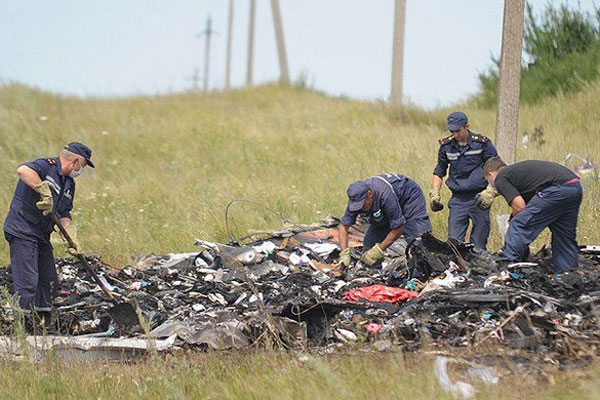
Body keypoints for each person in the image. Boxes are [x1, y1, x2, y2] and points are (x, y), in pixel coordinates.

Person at [3, 142, 94, 311]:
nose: (81, 170)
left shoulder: (69, 184)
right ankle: (23, 325)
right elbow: (23, 170)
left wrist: (71, 236)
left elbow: (64, 213)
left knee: (49, 282)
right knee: (28, 282)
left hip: (41, 234)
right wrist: (42, 188)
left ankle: (43, 320)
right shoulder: (45, 166)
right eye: (83, 165)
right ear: (75, 161)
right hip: (22, 229)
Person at [483, 157, 583, 279]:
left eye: (487, 180)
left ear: (490, 174)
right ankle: (567, 275)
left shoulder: (501, 178)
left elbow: (519, 207)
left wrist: (513, 221)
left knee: (518, 225)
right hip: (574, 187)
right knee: (563, 235)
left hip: (555, 189)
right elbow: (528, 206)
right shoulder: (519, 176)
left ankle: (507, 269)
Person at [430, 111, 498, 249]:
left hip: (479, 198)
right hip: (458, 200)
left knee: (478, 244)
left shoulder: (482, 143)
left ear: (467, 126)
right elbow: (439, 171)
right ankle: (457, 269)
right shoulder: (446, 146)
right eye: (451, 131)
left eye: (458, 130)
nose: (455, 134)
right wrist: (435, 192)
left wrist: (490, 191)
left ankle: (477, 268)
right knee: (454, 243)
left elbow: (496, 167)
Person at [338, 173, 432, 267]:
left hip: (408, 198)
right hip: (385, 208)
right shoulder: (356, 198)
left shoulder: (384, 194)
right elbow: (344, 227)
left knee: (419, 243)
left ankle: (429, 268)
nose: (360, 208)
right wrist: (344, 253)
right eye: (357, 205)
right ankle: (374, 273)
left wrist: (380, 249)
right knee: (369, 247)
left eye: (362, 204)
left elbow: (399, 228)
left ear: (369, 194)